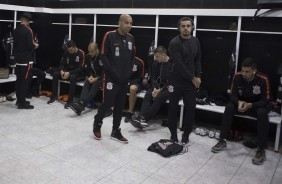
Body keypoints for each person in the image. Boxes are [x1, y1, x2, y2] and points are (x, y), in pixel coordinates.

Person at [211, 58, 271, 165]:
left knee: (262, 113)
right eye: (243, 70)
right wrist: (239, 102)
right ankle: (222, 140)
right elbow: (232, 95)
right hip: (241, 104)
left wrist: (251, 105)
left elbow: (265, 100)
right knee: (229, 108)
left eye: (247, 71)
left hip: (255, 106)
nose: (244, 73)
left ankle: (261, 149)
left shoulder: (263, 79)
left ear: (254, 71)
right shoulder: (237, 76)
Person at [93, 14, 135, 143]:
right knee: (107, 103)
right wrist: (113, 72)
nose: (129, 25)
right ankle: (97, 122)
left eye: (131, 23)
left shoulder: (131, 38)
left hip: (124, 79)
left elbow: (132, 57)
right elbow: (103, 56)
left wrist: (128, 73)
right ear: (119, 23)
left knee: (119, 106)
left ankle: (115, 130)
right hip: (111, 78)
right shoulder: (109, 35)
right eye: (126, 22)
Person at [167, 17, 202, 144]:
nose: (186, 28)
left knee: (190, 109)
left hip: (190, 83)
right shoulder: (174, 43)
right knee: (173, 108)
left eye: (188, 26)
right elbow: (179, 64)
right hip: (175, 81)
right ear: (179, 28)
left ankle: (186, 134)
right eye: (183, 26)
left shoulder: (196, 41)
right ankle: (173, 135)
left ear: (192, 27)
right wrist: (193, 78)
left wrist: (198, 76)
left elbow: (198, 59)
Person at [131, 46, 171, 129]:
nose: (155, 58)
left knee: (159, 97)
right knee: (148, 94)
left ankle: (144, 118)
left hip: (169, 88)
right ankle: (140, 118)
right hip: (157, 87)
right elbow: (153, 77)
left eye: (157, 56)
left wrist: (160, 90)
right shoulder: (155, 63)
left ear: (163, 55)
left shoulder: (172, 64)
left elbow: (172, 81)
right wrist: (155, 88)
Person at [47, 40, 85, 109]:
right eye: (68, 50)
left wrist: (69, 73)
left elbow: (81, 68)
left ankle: (70, 101)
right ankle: (54, 97)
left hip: (78, 73)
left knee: (72, 77)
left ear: (74, 47)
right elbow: (62, 63)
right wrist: (62, 70)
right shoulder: (66, 52)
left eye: (71, 50)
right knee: (55, 74)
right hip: (67, 71)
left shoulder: (81, 53)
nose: (69, 52)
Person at [13, 12, 39, 109]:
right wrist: (35, 46)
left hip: (17, 60)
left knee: (18, 81)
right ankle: (22, 103)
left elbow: (15, 45)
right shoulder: (28, 30)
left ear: (21, 19)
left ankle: (19, 101)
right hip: (26, 61)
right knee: (24, 82)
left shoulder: (15, 30)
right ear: (28, 21)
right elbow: (30, 45)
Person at [70, 42, 103, 115]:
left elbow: (106, 72)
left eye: (92, 52)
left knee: (96, 84)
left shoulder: (102, 57)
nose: (90, 53)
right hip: (93, 77)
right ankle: (80, 107)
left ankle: (81, 102)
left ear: (96, 50)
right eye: (89, 52)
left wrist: (97, 78)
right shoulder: (88, 57)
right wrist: (90, 76)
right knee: (87, 82)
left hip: (103, 78)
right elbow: (88, 69)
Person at [124, 56, 144, 122]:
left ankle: (130, 112)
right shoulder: (121, 59)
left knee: (132, 88)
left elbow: (141, 78)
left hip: (136, 82)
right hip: (124, 82)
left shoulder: (139, 62)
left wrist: (130, 83)